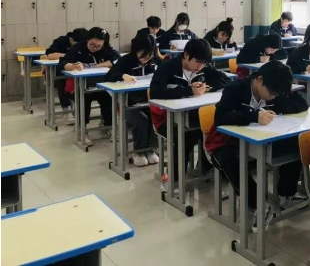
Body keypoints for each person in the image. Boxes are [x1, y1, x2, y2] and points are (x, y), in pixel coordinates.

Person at [205, 61, 309, 231]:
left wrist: (280, 106)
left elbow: (302, 104)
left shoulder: (276, 88)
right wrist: (254, 116)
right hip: (226, 142)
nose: (274, 97)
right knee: (231, 160)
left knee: (295, 143)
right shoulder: (235, 89)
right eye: (272, 93)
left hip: (262, 141)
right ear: (259, 80)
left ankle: (287, 194)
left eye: (277, 94)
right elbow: (221, 118)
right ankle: (258, 204)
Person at [150, 39, 232, 189]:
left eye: (204, 63)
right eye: (197, 62)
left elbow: (227, 81)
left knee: (213, 130)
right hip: (166, 118)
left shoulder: (204, 68)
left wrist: (208, 88)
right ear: (186, 55)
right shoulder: (167, 67)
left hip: (194, 116)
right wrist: (188, 91)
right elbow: (155, 92)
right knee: (185, 136)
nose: (200, 66)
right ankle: (173, 180)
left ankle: (205, 168)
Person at [58, 27, 120, 146]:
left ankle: (109, 126)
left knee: (109, 98)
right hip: (79, 86)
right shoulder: (77, 48)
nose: (95, 48)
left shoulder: (107, 48)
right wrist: (73, 66)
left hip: (100, 85)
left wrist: (98, 65)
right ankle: (81, 129)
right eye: (92, 44)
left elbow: (117, 60)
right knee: (84, 99)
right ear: (87, 40)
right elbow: (63, 63)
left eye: (98, 46)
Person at [106, 34, 161, 167]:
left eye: (149, 55)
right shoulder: (126, 61)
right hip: (127, 103)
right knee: (141, 120)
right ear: (136, 50)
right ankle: (139, 152)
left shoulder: (156, 61)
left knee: (155, 117)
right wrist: (122, 75)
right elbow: (109, 76)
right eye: (143, 54)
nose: (146, 58)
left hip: (149, 101)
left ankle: (151, 149)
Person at [44, 27, 88, 124]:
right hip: (57, 72)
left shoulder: (86, 45)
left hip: (76, 72)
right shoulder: (61, 41)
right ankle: (66, 110)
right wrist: (69, 55)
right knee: (62, 82)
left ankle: (82, 110)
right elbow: (50, 55)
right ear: (71, 40)